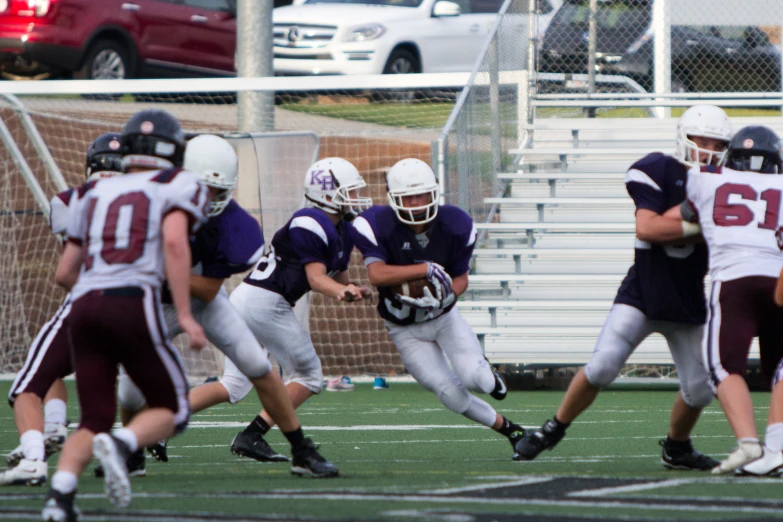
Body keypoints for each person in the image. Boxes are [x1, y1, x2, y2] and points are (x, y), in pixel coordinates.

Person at [515, 105, 733, 469]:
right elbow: (647, 229)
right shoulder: (659, 169)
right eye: (701, 139)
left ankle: (677, 448)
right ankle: (551, 429)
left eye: (717, 142)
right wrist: (703, 225)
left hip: (688, 299)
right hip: (644, 292)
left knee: (699, 389)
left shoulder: (729, 183)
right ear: (685, 138)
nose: (708, 148)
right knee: (601, 367)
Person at [115, 135, 339, 478]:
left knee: (256, 364)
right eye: (201, 188)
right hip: (154, 304)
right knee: (130, 391)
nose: (208, 200)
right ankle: (132, 454)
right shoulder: (144, 205)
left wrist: (157, 268)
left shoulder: (235, 225)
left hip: (204, 301)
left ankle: (299, 449)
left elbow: (206, 291)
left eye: (217, 191)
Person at [41, 109, 210, 521]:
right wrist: (185, 314)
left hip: (83, 306)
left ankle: (59, 498)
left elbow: (66, 271)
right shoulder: (179, 184)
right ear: (174, 149)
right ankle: (121, 446)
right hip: (131, 302)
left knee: (94, 416)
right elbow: (173, 242)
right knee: (175, 408)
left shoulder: (88, 194)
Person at [187, 157, 373, 461]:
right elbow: (315, 279)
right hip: (265, 303)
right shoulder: (311, 221)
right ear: (327, 193)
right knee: (309, 376)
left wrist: (352, 289)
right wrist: (340, 290)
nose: (354, 199)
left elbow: (336, 275)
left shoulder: (341, 228)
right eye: (348, 192)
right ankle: (253, 435)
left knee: (233, 384)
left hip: (249, 300)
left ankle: (163, 421)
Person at [350, 158, 523, 457]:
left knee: (475, 379)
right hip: (405, 329)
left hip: (444, 318)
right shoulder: (375, 223)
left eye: (421, 195)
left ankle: (489, 374)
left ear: (435, 194)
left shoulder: (456, 224)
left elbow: (461, 279)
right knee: (451, 395)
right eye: (408, 197)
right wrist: (425, 270)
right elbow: (377, 275)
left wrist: (445, 298)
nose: (416, 204)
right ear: (393, 199)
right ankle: (512, 431)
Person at [1, 132, 123, 487]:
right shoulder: (149, 203)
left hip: (85, 303)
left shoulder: (70, 200)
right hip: (134, 310)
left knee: (25, 386)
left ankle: (35, 460)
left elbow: (67, 270)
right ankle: (89, 438)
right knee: (105, 391)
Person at [670, 125, 783, 475]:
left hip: (734, 280)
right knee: (780, 367)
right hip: (778, 276)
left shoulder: (707, 178)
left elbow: (687, 216)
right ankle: (777, 450)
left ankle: (749, 443)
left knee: (723, 367)